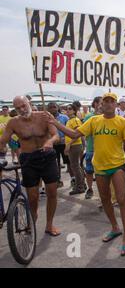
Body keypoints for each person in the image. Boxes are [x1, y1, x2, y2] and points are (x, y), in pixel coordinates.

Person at [49, 92, 125, 256]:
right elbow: (74, 134)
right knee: (105, 199)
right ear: (101, 105)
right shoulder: (93, 120)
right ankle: (115, 228)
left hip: (117, 165)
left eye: (112, 101)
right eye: (106, 101)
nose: (109, 104)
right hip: (99, 167)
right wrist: (55, 123)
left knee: (122, 199)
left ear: (116, 105)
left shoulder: (123, 122)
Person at [0, 96, 61, 236]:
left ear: (30, 103)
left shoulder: (44, 116)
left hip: (47, 156)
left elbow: (56, 135)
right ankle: (32, 219)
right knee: (32, 197)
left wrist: (50, 142)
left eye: (23, 105)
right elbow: (3, 141)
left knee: (52, 192)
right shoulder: (13, 123)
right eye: (18, 108)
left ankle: (49, 225)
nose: (22, 109)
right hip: (28, 160)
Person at [47, 102, 72, 188]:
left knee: (68, 161)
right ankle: (58, 180)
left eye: (54, 107)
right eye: (50, 107)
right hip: (53, 145)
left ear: (57, 107)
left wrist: (64, 139)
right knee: (55, 163)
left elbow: (69, 129)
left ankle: (73, 179)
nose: (53, 109)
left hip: (63, 143)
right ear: (48, 109)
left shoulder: (64, 117)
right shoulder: (46, 119)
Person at [82, 96, 102, 200]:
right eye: (100, 103)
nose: (102, 105)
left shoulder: (108, 116)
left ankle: (102, 194)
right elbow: (84, 132)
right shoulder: (89, 117)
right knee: (89, 171)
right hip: (91, 148)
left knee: (102, 174)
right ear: (95, 104)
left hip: (103, 151)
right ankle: (90, 189)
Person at [65, 103, 87, 195]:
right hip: (74, 145)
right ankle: (82, 184)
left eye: (70, 109)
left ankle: (80, 186)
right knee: (76, 166)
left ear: (74, 110)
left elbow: (77, 134)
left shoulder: (75, 120)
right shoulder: (71, 120)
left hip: (75, 146)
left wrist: (69, 144)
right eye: (67, 109)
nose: (68, 110)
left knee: (75, 166)